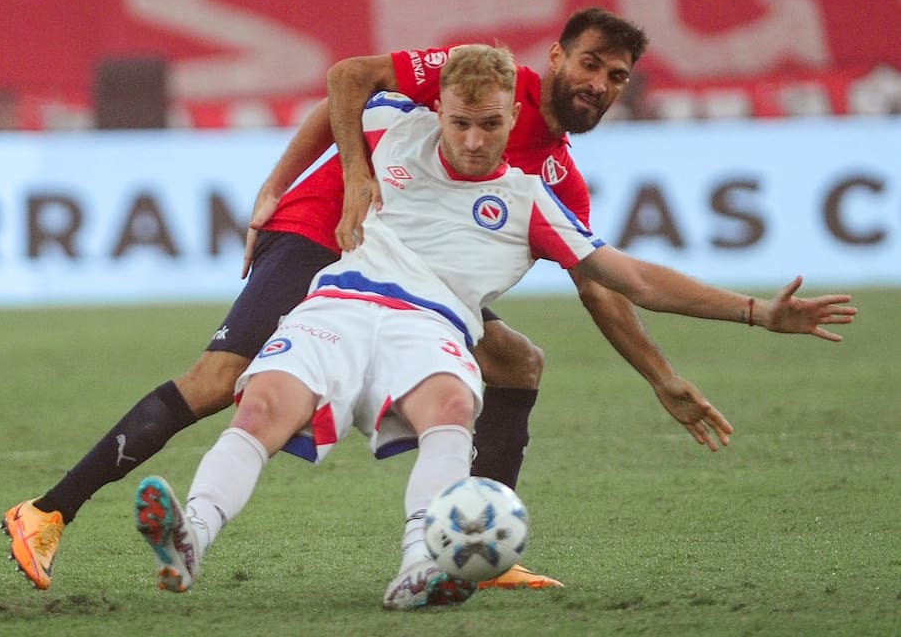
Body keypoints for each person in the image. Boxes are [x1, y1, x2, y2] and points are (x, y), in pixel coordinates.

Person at [132, 43, 855, 611]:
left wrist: (757, 312)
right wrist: (303, 183)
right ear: (438, 110)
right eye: (460, 122)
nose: (474, 140)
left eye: (491, 124)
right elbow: (344, 84)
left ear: (515, 117)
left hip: (431, 328)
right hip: (339, 305)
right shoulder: (392, 128)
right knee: (263, 405)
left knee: (451, 404)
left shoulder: (532, 201)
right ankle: (192, 535)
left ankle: (421, 566)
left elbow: (632, 280)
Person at [4, 8, 702, 592]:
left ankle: (474, 546)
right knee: (217, 380)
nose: (598, 84)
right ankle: (48, 511)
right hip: (322, 227)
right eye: (589, 65)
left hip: (402, 267)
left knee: (518, 361)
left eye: (615, 77)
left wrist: (662, 377)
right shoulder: (480, 77)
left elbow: (602, 288)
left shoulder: (558, 174)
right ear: (558, 58)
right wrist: (286, 185)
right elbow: (346, 87)